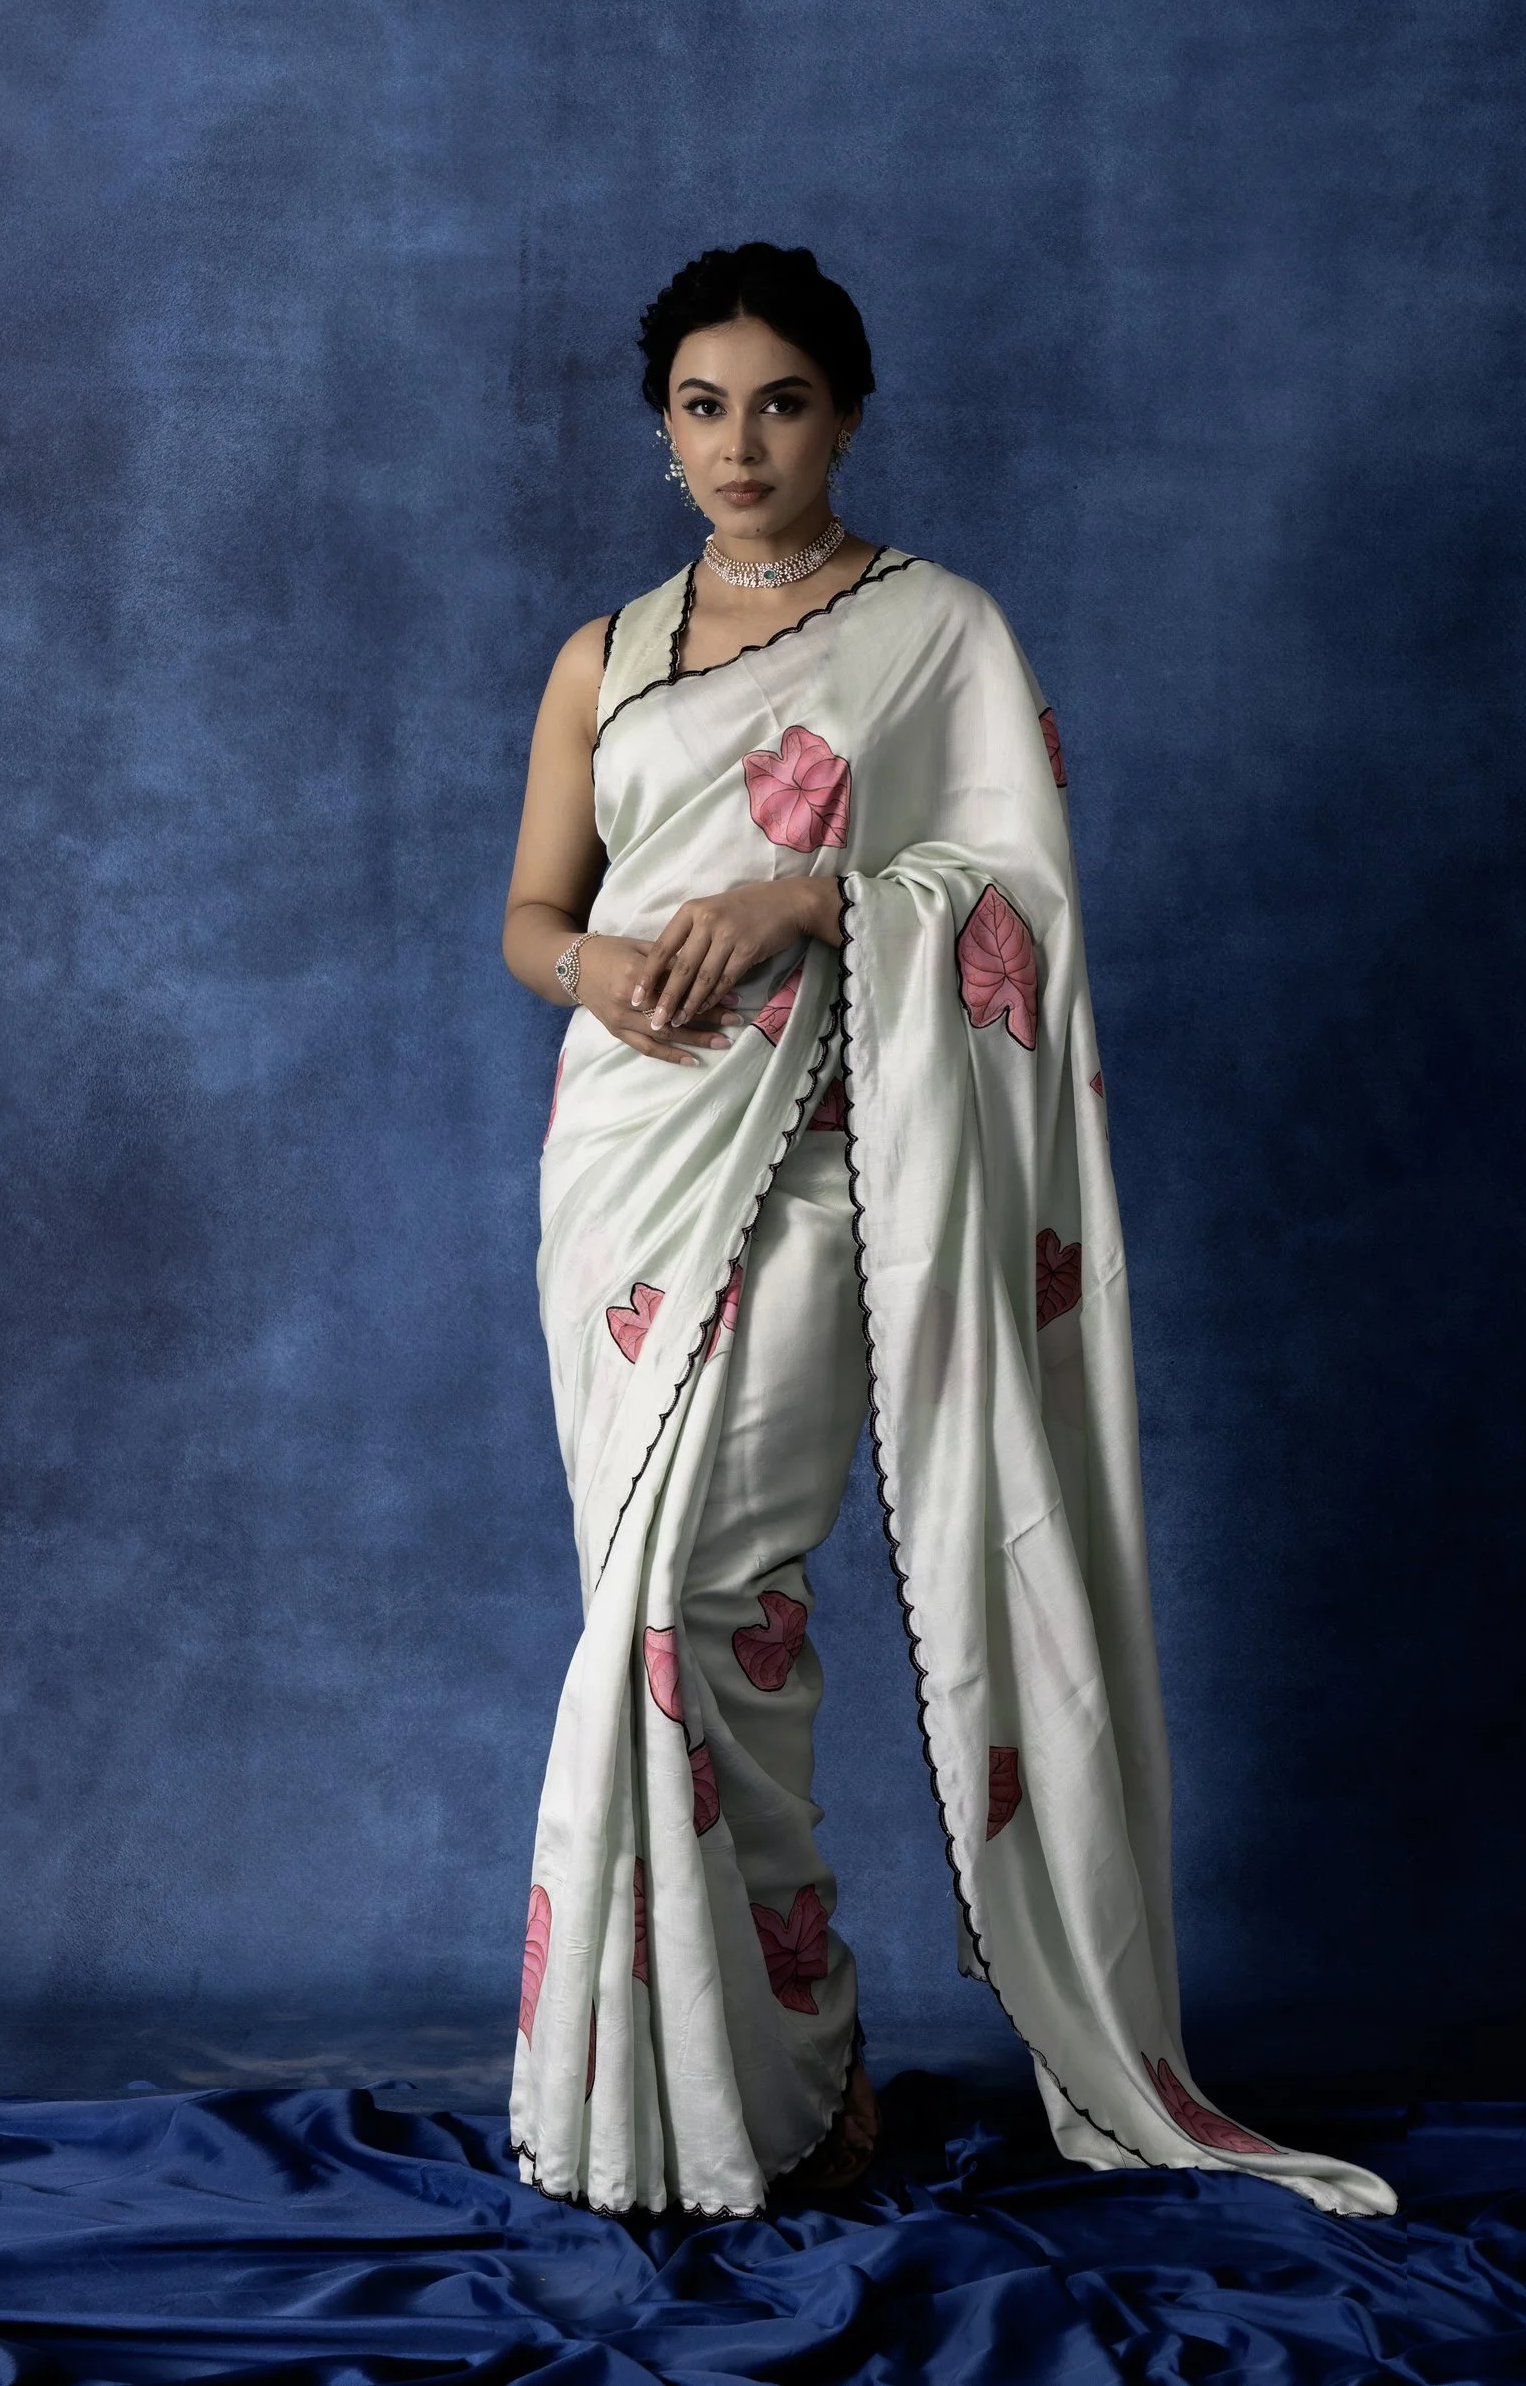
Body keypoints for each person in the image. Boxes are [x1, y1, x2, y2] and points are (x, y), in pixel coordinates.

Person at [501, 242, 1390, 2223]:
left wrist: (812, 901)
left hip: (825, 1153)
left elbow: (1018, 901)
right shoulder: (601, 657)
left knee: (709, 1600)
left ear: (846, 415)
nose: (741, 443)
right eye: (703, 407)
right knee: (640, 1609)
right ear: (661, 430)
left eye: (781, 402)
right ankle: (715, 2084)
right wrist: (598, 967)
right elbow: (532, 917)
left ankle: (793, 2066)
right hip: (625, 1163)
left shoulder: (935, 632)